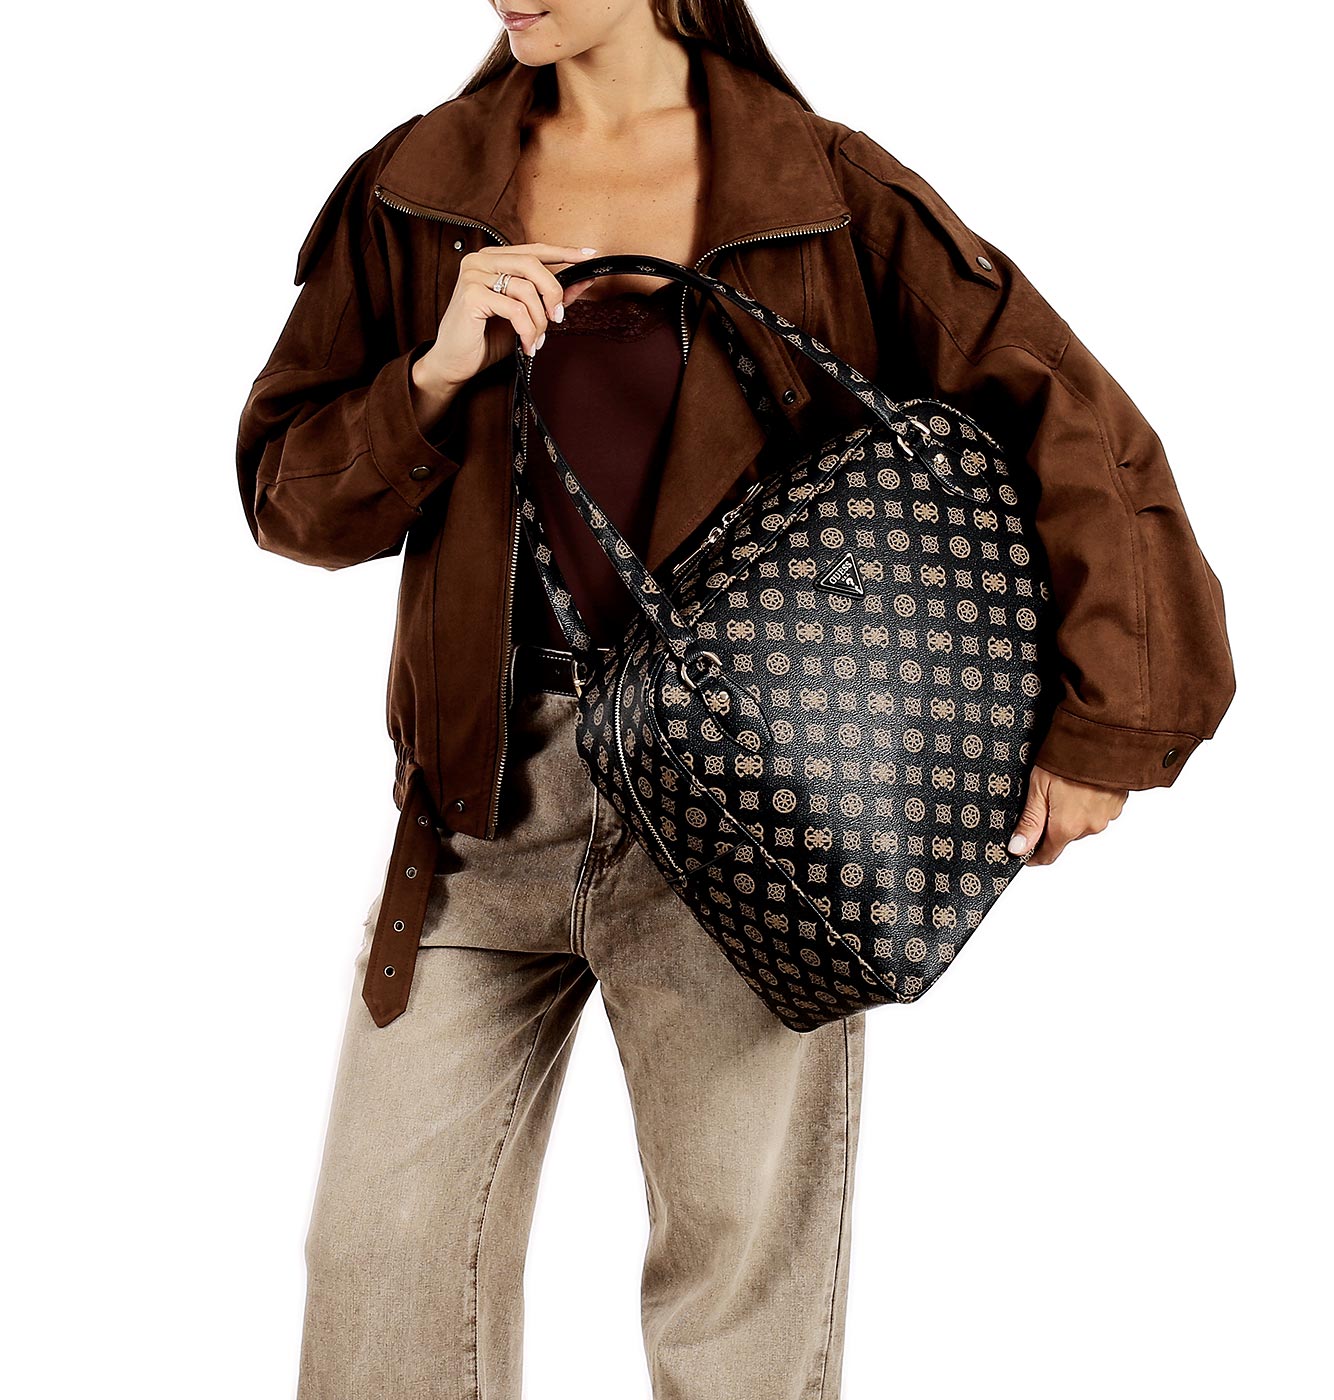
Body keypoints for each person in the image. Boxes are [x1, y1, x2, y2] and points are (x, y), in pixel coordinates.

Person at [235, 4, 1236, 1397]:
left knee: (736, 1322)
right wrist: (435, 372)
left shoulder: (821, 190)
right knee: (375, 1268)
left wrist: (1108, 725)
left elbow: (1072, 418)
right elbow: (288, 496)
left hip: (749, 822)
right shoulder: (417, 190)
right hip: (474, 807)